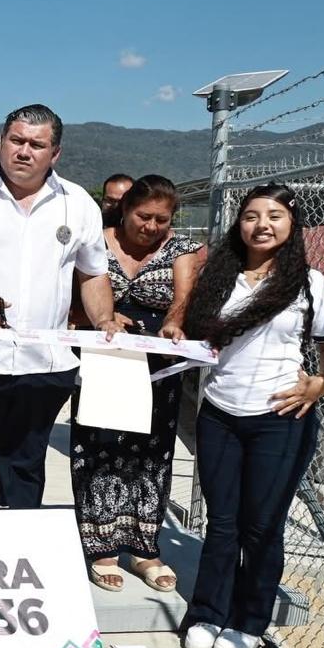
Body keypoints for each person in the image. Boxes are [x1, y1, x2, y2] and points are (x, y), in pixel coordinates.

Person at [0, 104, 123, 510]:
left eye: (37, 145)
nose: (24, 151)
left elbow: (93, 274)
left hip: (46, 367)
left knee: (25, 469)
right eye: (16, 140)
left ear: (55, 153)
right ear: (0, 142)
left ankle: (17, 548)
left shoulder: (78, 203)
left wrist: (104, 319)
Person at [180, 183, 324, 648]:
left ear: (292, 224)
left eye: (274, 216)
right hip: (219, 413)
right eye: (252, 216)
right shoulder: (219, 278)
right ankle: (207, 612)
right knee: (222, 523)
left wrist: (320, 385)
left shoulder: (310, 284)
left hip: (280, 419)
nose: (262, 225)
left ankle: (248, 621)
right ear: (240, 223)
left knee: (262, 527)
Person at [69, 175, 202, 593]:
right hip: (102, 359)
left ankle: (144, 548)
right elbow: (72, 297)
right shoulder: (96, 242)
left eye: (162, 219)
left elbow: (182, 300)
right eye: (144, 216)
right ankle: (101, 546)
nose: (152, 226)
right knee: (97, 449)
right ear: (125, 209)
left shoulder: (181, 250)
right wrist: (99, 317)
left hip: (157, 365)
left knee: (151, 453)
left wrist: (173, 326)